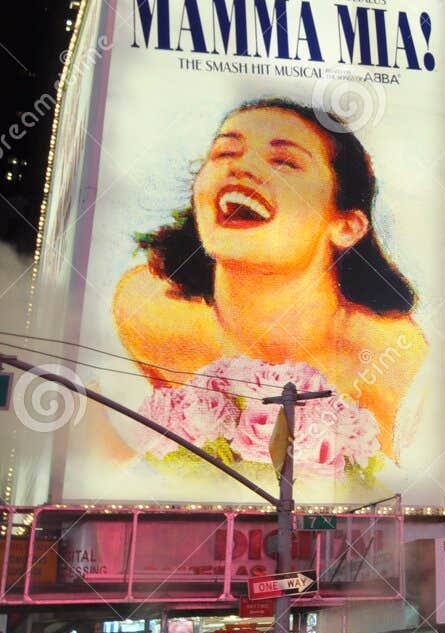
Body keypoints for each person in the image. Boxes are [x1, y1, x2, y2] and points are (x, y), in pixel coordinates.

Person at [115, 98, 426, 466]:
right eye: (224, 152)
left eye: (284, 162)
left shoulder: (391, 356)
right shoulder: (146, 310)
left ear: (345, 226)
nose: (240, 168)